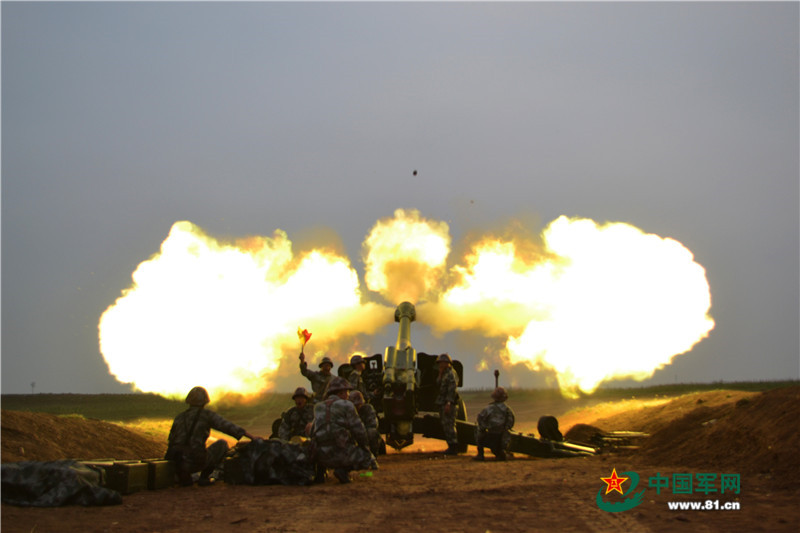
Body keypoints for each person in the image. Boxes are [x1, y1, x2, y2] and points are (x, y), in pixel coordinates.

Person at [166, 386, 258, 486]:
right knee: (222, 444)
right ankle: (204, 478)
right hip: (195, 460)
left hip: (176, 461)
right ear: (205, 401)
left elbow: (171, 439)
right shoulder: (206, 415)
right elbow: (227, 426)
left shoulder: (179, 417)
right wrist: (252, 437)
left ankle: (183, 477)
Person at [310, 376, 377, 484]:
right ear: (341, 392)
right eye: (347, 392)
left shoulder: (318, 407)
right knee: (366, 457)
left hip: (321, 456)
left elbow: (312, 432)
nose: (348, 395)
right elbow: (359, 432)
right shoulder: (347, 405)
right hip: (341, 454)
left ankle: (320, 472)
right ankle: (343, 471)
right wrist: (366, 449)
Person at [473, 387, 516, 461]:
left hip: (491, 436)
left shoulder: (488, 409)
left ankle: (480, 454)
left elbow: (480, 420)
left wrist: (484, 428)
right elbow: (511, 422)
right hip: (503, 438)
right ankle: (502, 452)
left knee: (477, 430)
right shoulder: (507, 410)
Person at [434, 353, 461, 455]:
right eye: (439, 363)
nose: (440, 364)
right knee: (446, 425)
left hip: (449, 403)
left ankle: (453, 447)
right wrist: (440, 374)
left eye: (442, 362)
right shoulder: (444, 373)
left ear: (447, 363)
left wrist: (448, 403)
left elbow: (452, 390)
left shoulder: (451, 374)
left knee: (450, 425)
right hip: (443, 402)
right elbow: (438, 383)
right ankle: (451, 446)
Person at [349, 390, 384, 456]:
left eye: (358, 405)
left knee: (372, 433)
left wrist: (361, 432)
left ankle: (371, 455)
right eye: (355, 405)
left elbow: (373, 424)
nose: (357, 407)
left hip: (364, 433)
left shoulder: (368, 409)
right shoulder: (347, 410)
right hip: (352, 435)